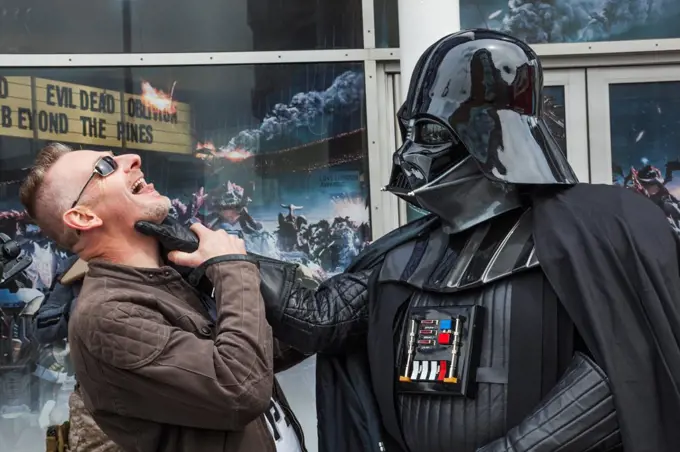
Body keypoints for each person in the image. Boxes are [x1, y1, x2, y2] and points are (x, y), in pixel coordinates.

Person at [140, 29, 680, 452]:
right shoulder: (406, 251)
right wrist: (205, 250)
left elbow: (627, 369)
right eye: (411, 132)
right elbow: (324, 316)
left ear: (492, 137)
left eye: (433, 134)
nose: (410, 153)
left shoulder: (604, 230)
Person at [20, 143, 308, 452]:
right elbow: (240, 388)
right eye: (105, 166)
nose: (132, 159)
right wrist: (232, 267)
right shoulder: (106, 315)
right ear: (84, 217)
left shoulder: (168, 278)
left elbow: (259, 354)